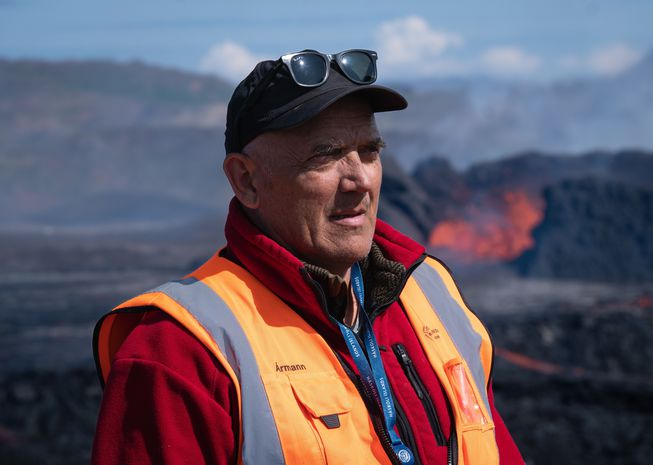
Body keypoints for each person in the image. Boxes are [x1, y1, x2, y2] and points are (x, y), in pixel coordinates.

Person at [91, 49, 525, 465]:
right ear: (247, 181)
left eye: (370, 152)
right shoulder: (179, 349)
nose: (359, 180)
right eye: (327, 154)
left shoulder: (431, 290)